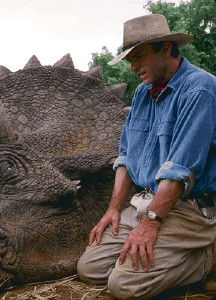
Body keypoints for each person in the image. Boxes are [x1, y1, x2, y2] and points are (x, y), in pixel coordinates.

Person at [76, 14, 216, 299]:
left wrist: (150, 224)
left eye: (139, 56)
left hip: (188, 208)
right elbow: (126, 156)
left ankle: (207, 258)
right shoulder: (142, 94)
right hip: (145, 202)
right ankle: (167, 255)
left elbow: (180, 170)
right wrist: (114, 209)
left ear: (166, 48)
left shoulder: (200, 89)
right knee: (89, 269)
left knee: (123, 286)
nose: (133, 66)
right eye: (129, 60)